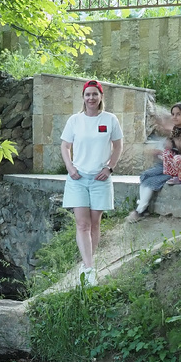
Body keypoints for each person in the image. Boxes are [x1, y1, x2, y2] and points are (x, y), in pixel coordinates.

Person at [60, 79, 124, 282]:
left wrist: (109, 167)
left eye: (95, 94)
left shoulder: (110, 119)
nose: (91, 98)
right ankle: (88, 269)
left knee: (95, 224)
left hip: (100, 179)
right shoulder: (75, 120)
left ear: (101, 96)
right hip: (78, 178)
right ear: (83, 97)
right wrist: (70, 168)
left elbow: (118, 146)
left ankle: (88, 263)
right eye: (88, 94)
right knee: (82, 224)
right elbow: (65, 146)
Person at [126, 102, 181, 223]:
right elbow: (169, 151)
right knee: (145, 176)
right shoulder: (174, 131)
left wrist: (170, 147)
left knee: (152, 181)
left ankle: (141, 210)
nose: (174, 117)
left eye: (178, 115)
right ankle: (142, 207)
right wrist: (162, 152)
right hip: (170, 165)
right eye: (173, 115)